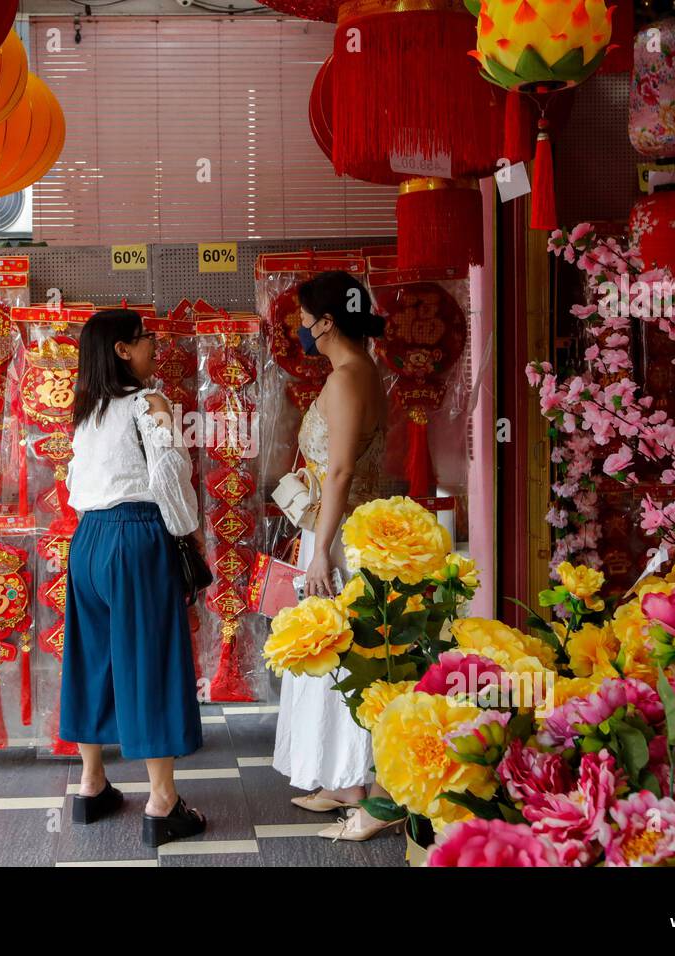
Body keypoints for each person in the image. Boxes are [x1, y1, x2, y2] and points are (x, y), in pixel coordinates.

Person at [60, 308, 208, 848]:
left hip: (89, 540)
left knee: (92, 657)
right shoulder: (150, 404)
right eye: (147, 339)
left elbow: (77, 480)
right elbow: (170, 478)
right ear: (123, 350)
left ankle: (92, 783)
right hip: (138, 537)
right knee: (151, 659)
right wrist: (190, 534)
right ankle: (162, 800)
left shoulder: (87, 411)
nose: (154, 347)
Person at [271, 270, 399, 842]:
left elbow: (344, 471)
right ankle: (343, 780)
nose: (300, 328)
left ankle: (371, 791)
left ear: (326, 322)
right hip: (331, 530)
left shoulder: (350, 377)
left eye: (303, 318)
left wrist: (321, 551)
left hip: (343, 540)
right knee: (331, 658)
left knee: (350, 658)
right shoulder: (350, 372)